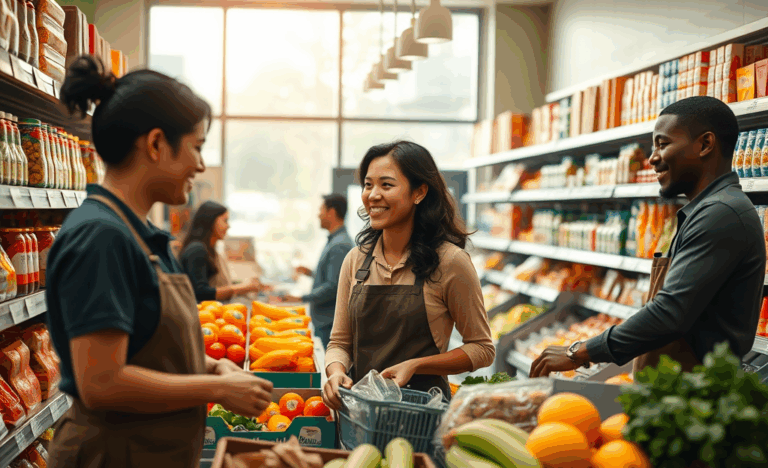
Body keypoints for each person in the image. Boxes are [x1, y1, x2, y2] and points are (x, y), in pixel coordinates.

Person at [44, 56, 273, 468]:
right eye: (197, 147)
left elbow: (147, 348)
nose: (200, 165)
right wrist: (215, 390)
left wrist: (215, 367)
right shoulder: (101, 237)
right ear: (155, 144)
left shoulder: (142, 235)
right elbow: (102, 383)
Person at [530, 96, 766, 379]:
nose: (652, 158)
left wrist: (580, 352)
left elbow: (669, 312)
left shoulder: (721, 213)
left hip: (697, 392)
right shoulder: (706, 210)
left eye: (662, 144)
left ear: (705, 144)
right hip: (677, 386)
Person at [323, 141, 495, 410]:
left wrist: (417, 365)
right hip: (361, 414)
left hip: (423, 415)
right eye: (368, 185)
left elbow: (482, 348)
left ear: (419, 192)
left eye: (386, 185)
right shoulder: (355, 260)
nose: (373, 195)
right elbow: (339, 343)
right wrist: (335, 372)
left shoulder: (450, 261)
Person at [282, 194, 354, 348]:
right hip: (326, 321)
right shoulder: (336, 241)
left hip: (329, 323)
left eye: (321, 209)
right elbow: (334, 276)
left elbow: (333, 286)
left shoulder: (340, 245)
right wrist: (310, 273)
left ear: (331, 212)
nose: (318, 215)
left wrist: (301, 298)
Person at [179, 200, 265, 302]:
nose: (228, 226)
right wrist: (243, 288)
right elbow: (200, 293)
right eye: (225, 221)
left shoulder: (210, 250)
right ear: (210, 221)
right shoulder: (196, 250)